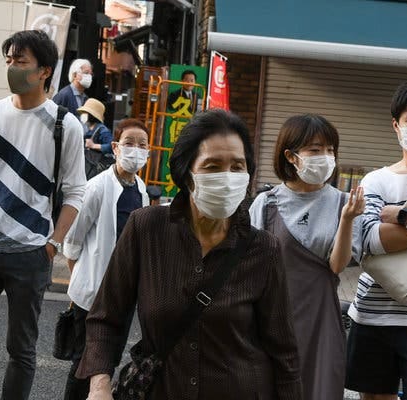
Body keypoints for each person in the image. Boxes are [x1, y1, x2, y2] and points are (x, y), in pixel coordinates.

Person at [77, 109, 302, 399]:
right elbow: (106, 318)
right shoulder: (146, 229)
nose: (227, 177)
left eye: (237, 166)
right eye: (212, 166)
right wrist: (99, 386)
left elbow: (284, 352)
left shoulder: (264, 249)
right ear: (187, 174)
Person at [0, 30, 86, 400]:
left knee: (21, 351)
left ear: (45, 71)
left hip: (30, 252)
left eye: (20, 61)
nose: (12, 67)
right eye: (9, 60)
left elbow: (75, 191)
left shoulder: (64, 124)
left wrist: (53, 244)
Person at [249, 114, 364, 400]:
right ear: (290, 156)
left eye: (330, 150)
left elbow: (336, 267)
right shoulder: (266, 202)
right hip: (271, 318)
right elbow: (249, 269)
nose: (325, 157)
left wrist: (348, 219)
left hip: (321, 320)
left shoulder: (342, 203)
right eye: (315, 150)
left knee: (319, 390)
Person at [346, 81, 407, 400]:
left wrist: (403, 216)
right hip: (372, 315)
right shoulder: (376, 180)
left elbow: (385, 235)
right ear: (397, 125)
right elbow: (369, 239)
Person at [62, 118, 150, 400]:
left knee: (108, 361)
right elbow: (73, 240)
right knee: (83, 363)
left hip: (122, 295)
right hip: (90, 294)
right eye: (129, 143)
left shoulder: (142, 190)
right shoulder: (97, 187)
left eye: (142, 145)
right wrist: (79, 280)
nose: (135, 150)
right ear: (114, 147)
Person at [78, 98, 114, 179]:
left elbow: (111, 146)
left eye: (85, 113)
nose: (82, 115)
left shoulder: (102, 130)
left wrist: (93, 146)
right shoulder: (88, 129)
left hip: (96, 170)